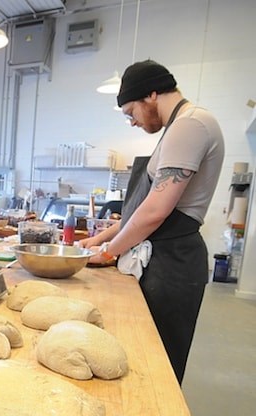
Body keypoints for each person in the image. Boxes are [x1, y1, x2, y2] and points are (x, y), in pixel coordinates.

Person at [79, 60, 224, 384]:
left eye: (131, 112)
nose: (131, 122)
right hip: (163, 256)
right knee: (144, 356)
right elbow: (142, 207)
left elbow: (157, 210)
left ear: (151, 95)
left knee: (158, 365)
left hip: (172, 263)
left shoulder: (192, 124)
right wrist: (101, 239)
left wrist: (108, 253)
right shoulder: (179, 127)